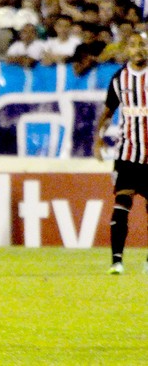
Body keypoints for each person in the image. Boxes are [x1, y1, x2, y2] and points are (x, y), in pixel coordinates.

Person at [93, 32, 148, 275]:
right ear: (126, 50)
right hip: (127, 152)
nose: (139, 49)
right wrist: (98, 139)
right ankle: (117, 261)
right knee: (122, 203)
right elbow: (107, 113)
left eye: (143, 45)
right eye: (134, 45)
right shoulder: (119, 79)